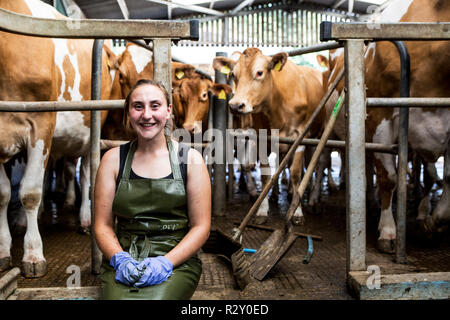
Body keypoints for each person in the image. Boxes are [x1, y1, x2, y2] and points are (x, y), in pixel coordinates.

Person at [94, 79, 211, 300]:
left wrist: (166, 262)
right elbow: (102, 225)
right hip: (124, 260)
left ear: (168, 111)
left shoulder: (191, 160)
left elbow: (201, 226)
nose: (147, 115)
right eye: (138, 106)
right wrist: (120, 259)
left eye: (155, 106)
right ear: (128, 113)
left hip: (177, 262)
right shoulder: (112, 160)